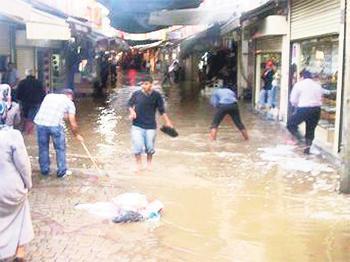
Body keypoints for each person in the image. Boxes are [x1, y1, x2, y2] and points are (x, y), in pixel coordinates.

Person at [0, 101, 34, 261]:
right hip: (10, 189)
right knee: (22, 211)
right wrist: (28, 184)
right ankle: (19, 252)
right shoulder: (12, 135)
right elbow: (23, 165)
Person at [34, 89, 84, 178]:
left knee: (43, 148)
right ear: (70, 96)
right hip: (54, 125)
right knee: (60, 149)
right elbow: (72, 122)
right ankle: (62, 171)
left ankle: (44, 171)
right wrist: (77, 135)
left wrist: (65, 116)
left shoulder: (49, 96)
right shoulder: (69, 102)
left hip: (40, 123)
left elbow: (53, 111)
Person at [128, 76, 173, 170]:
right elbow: (129, 104)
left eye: (146, 84)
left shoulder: (157, 96)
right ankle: (139, 166)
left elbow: (161, 110)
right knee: (137, 146)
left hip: (150, 126)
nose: (143, 86)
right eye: (142, 84)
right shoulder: (136, 94)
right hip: (137, 125)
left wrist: (168, 122)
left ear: (151, 85)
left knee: (150, 147)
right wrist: (132, 111)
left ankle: (149, 165)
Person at [287, 70, 323, 154]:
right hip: (316, 109)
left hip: (304, 108)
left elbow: (293, 100)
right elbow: (321, 98)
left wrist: (296, 106)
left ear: (302, 77)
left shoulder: (299, 85)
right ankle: (307, 149)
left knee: (290, 124)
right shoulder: (317, 85)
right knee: (311, 129)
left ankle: (300, 140)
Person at [209, 76, 249, 141]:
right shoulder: (230, 91)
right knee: (239, 123)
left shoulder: (215, 92)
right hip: (234, 105)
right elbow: (234, 99)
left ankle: (212, 141)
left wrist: (220, 111)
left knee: (214, 124)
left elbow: (214, 103)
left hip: (223, 106)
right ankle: (247, 139)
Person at [16, 69, 46, 134]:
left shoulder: (22, 82)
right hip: (36, 103)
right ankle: (29, 133)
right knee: (32, 118)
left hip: (25, 103)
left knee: (25, 117)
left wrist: (19, 101)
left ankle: (24, 132)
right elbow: (43, 93)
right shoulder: (39, 82)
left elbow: (18, 94)